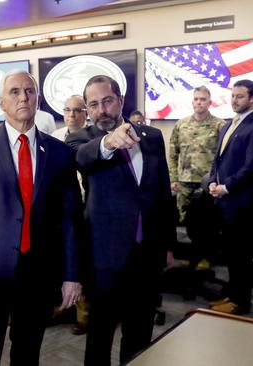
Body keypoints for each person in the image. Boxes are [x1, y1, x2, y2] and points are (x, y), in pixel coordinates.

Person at [0, 70, 83, 366]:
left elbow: (70, 219)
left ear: (37, 99)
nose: (23, 97)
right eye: (14, 92)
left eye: (29, 91)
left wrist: (72, 275)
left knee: (27, 352)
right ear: (1, 102)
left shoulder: (60, 153)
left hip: (38, 275)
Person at [66, 75, 175, 365]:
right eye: (93, 105)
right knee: (99, 337)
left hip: (148, 254)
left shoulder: (152, 136)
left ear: (121, 101)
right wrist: (108, 143)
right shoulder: (81, 139)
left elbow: (163, 192)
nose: (101, 109)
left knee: (140, 336)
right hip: (105, 259)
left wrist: (167, 244)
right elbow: (81, 159)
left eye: (107, 101)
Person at [207, 79, 253, 315]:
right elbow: (218, 159)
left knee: (242, 257)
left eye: (240, 96)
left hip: (244, 204)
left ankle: (240, 302)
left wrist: (226, 187)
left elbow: (252, 167)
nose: (234, 100)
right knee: (231, 254)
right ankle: (231, 295)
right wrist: (213, 181)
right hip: (225, 203)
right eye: (233, 95)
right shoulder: (228, 125)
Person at [51, 94, 89, 335]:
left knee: (82, 262)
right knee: (60, 259)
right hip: (58, 209)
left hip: (86, 208)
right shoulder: (54, 138)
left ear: (85, 114)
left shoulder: (94, 138)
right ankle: (63, 305)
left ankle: (84, 314)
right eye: (67, 110)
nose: (72, 115)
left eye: (77, 110)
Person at [168, 86, 225, 224]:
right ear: (192, 102)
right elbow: (172, 154)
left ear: (209, 103)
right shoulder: (181, 125)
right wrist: (173, 178)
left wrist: (220, 180)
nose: (199, 102)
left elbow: (225, 156)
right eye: (196, 99)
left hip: (208, 182)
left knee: (208, 220)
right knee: (184, 220)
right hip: (185, 182)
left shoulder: (220, 125)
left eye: (203, 99)